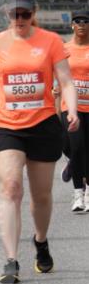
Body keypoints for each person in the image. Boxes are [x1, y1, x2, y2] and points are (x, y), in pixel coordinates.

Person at [0, 0, 78, 284]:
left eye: (25, 14)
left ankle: (40, 241)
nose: (19, 19)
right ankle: (10, 259)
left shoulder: (51, 41)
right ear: (6, 13)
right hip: (6, 125)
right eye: (14, 14)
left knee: (42, 195)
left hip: (42, 124)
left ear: (34, 13)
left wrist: (71, 109)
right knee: (11, 187)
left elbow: (66, 80)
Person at [60, 11, 89, 212]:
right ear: (72, 25)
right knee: (75, 148)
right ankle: (78, 192)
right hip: (70, 108)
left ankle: (87, 194)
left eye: (86, 21)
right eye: (78, 21)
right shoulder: (64, 49)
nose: (82, 24)